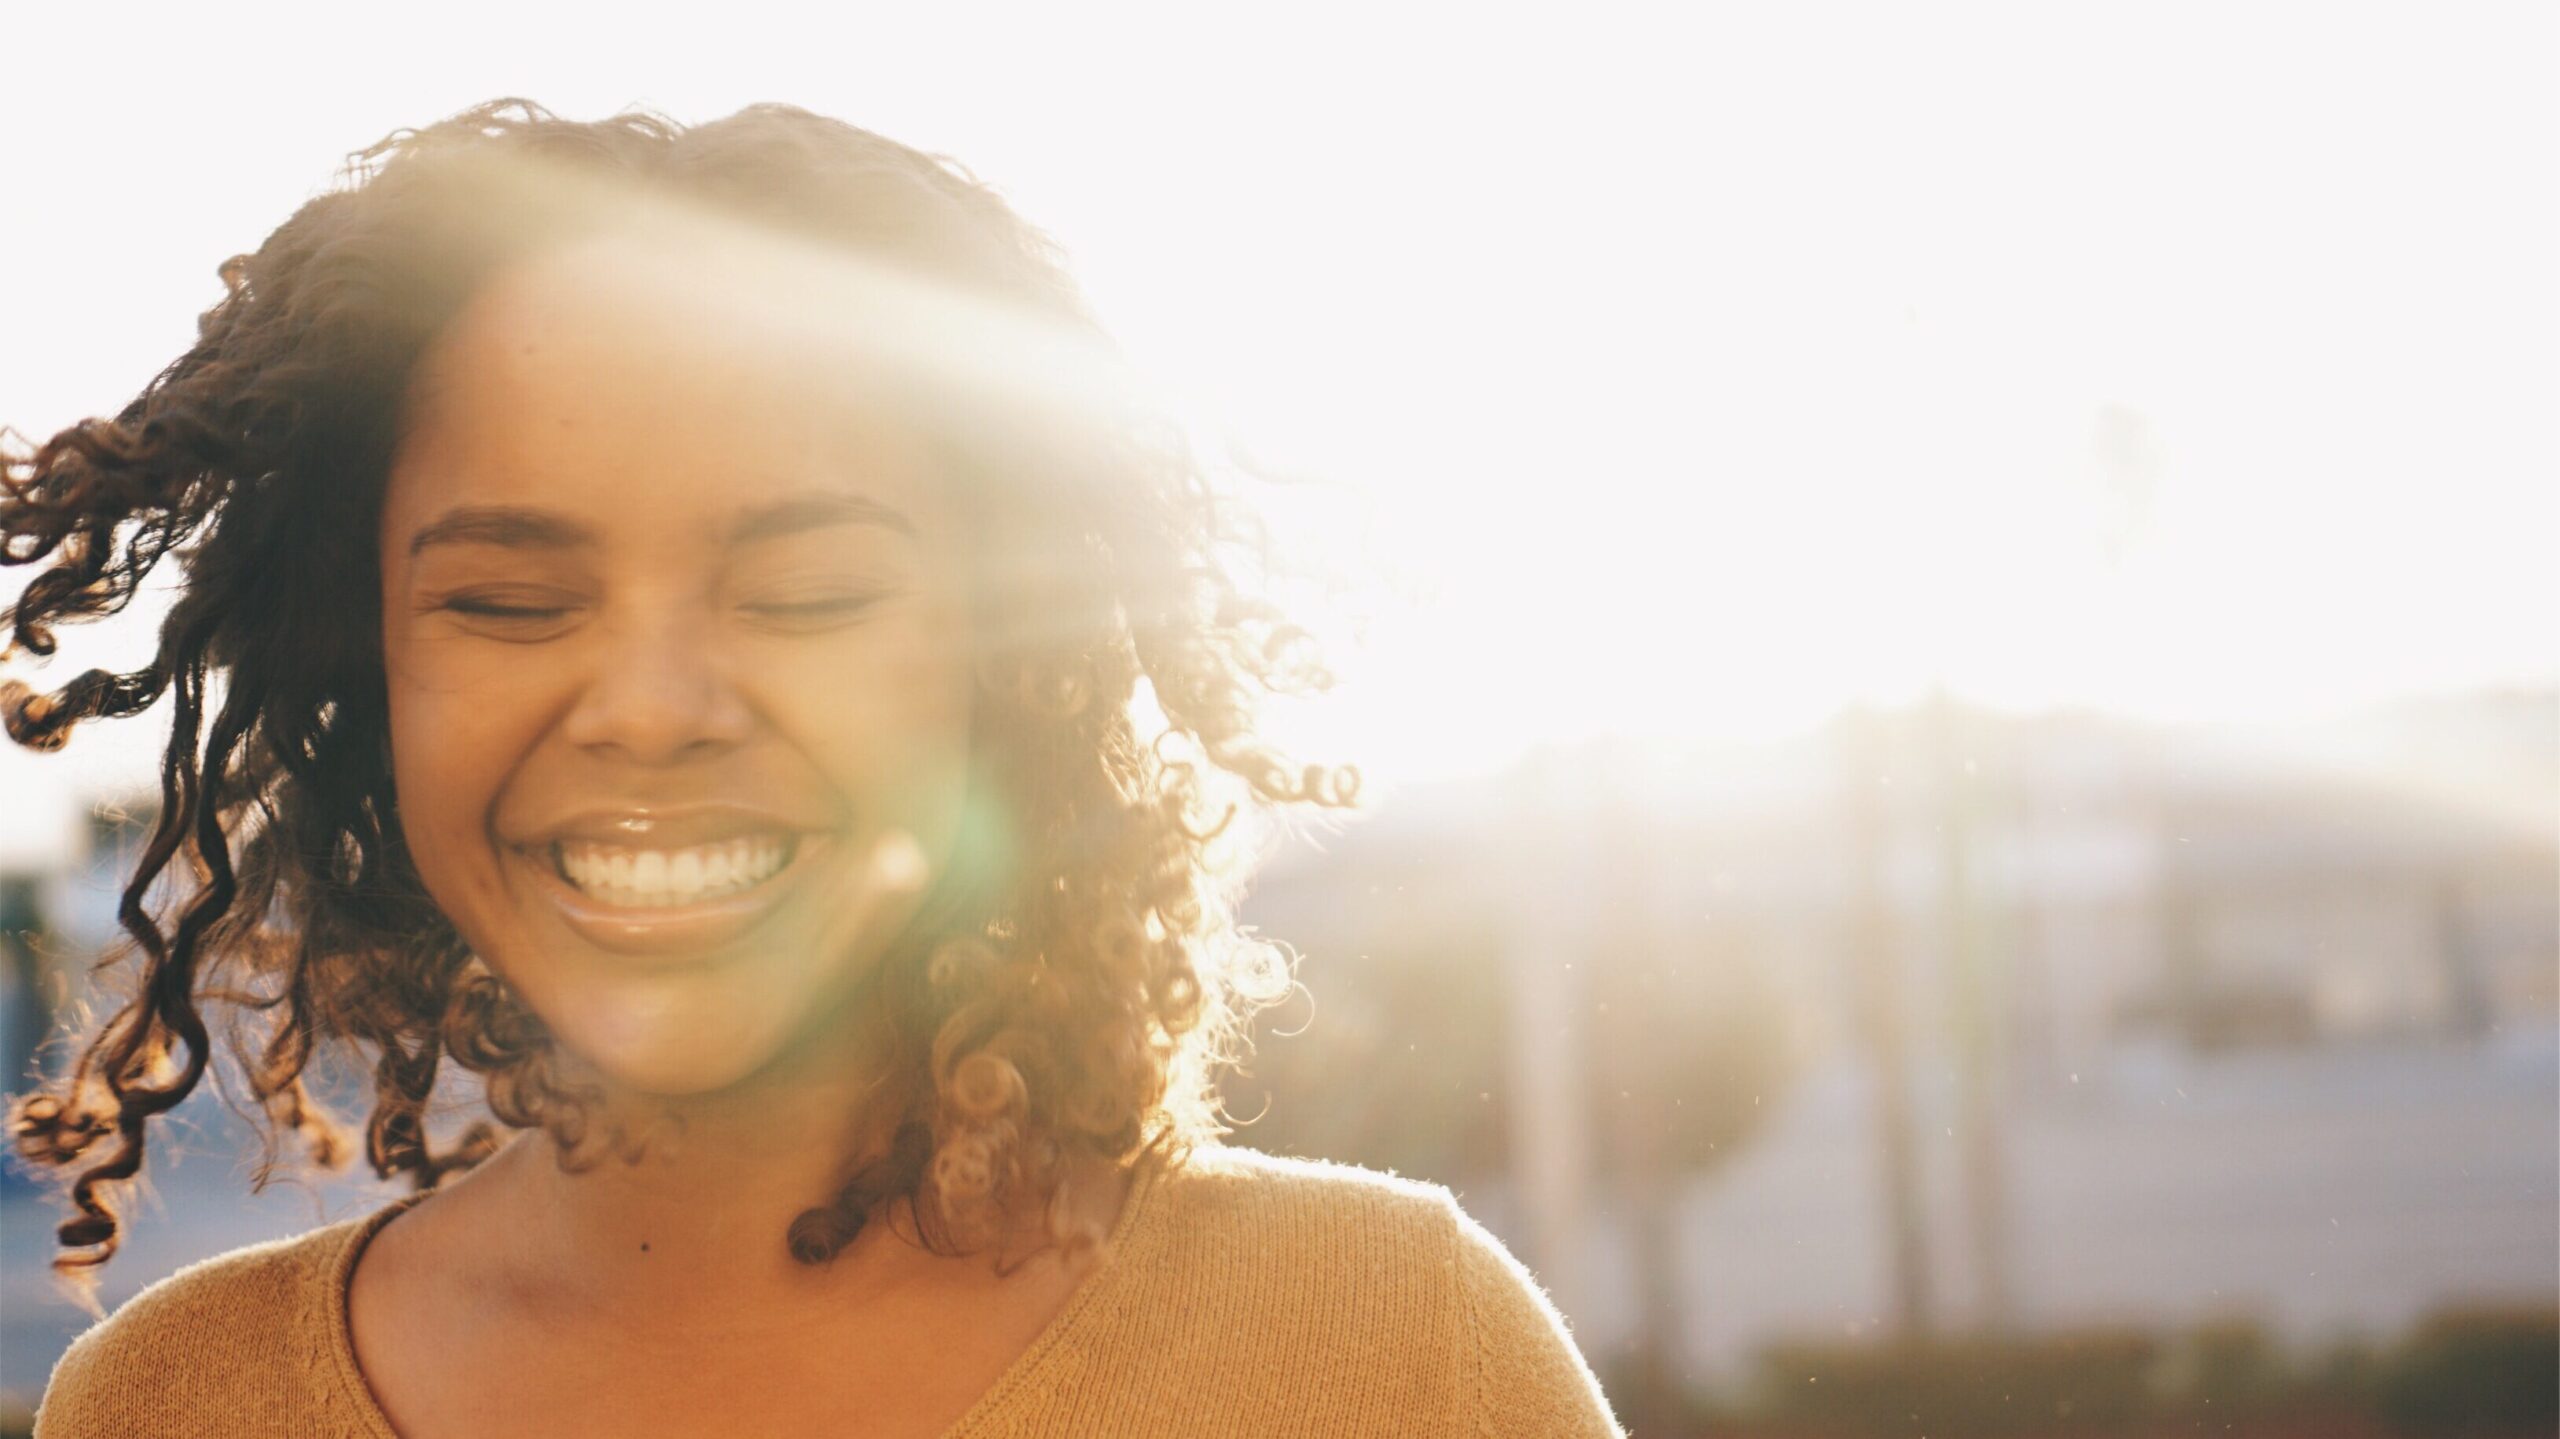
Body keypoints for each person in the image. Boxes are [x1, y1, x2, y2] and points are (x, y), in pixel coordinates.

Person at [1, 100, 1622, 1436]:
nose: (651, 707)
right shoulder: (170, 1406)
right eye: (506, 599)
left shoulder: (1395, 1353)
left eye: (807, 593)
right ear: (368, 684)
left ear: (1007, 668)